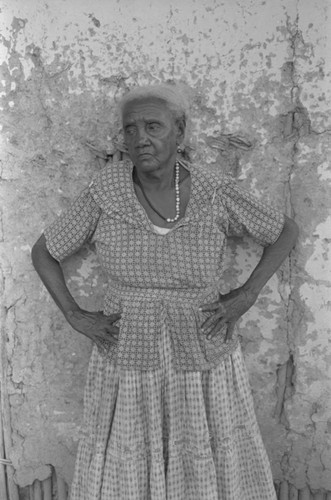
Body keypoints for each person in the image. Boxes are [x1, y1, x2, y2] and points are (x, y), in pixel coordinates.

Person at [31, 83, 299, 500]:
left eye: (153, 126)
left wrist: (247, 295)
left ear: (180, 131)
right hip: (127, 354)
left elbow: (284, 232)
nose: (141, 139)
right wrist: (74, 314)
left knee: (203, 449)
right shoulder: (107, 191)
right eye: (131, 129)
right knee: (130, 456)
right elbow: (45, 251)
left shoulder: (214, 191)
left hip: (200, 347)